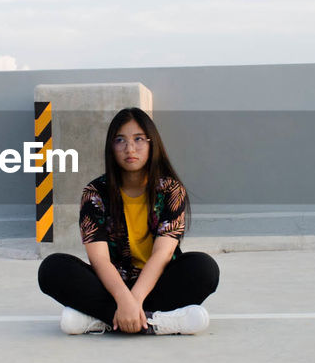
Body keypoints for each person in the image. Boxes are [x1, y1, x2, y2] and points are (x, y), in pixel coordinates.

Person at [37, 107, 219, 335]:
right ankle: (156, 321)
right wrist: (124, 300)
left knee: (204, 268)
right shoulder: (95, 193)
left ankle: (102, 320)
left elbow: (162, 255)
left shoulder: (171, 191)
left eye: (139, 139)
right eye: (120, 140)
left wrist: (135, 300)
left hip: (156, 284)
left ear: (152, 144)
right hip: (112, 287)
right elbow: (100, 259)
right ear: (111, 147)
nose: (129, 148)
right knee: (52, 269)